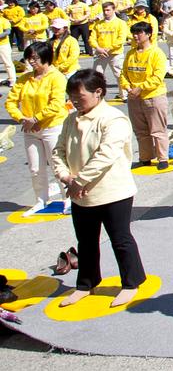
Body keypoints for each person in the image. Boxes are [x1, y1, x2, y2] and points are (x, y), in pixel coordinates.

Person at [52, 69, 147, 309]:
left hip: (112, 190)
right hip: (79, 192)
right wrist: (65, 176)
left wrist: (79, 181)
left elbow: (105, 155)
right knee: (85, 240)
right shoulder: (70, 120)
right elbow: (58, 151)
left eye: (79, 95)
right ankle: (86, 283)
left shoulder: (113, 119)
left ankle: (131, 282)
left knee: (120, 238)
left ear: (98, 92)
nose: (74, 100)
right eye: (71, 95)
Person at [6, 42, 69, 216]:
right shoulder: (24, 78)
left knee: (58, 165)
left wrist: (36, 119)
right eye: (29, 58)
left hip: (52, 126)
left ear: (46, 57)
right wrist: (22, 118)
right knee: (35, 168)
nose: (32, 62)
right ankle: (41, 200)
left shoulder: (57, 77)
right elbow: (10, 101)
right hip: (30, 129)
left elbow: (57, 104)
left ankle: (68, 198)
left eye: (35, 58)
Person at [120, 21, 170, 170]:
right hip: (134, 97)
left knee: (158, 130)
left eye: (139, 33)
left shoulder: (156, 53)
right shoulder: (130, 53)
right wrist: (128, 87)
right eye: (134, 33)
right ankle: (145, 157)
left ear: (148, 34)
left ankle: (163, 158)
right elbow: (123, 73)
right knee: (141, 131)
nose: (135, 36)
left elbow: (157, 77)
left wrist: (141, 88)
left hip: (153, 96)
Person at [89, 2, 130, 101]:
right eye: (104, 10)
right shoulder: (98, 24)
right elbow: (92, 38)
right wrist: (98, 48)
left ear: (113, 10)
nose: (106, 12)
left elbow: (121, 39)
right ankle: (98, 97)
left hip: (115, 53)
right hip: (101, 53)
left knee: (119, 74)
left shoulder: (121, 23)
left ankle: (124, 95)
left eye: (108, 10)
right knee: (97, 75)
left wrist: (110, 48)